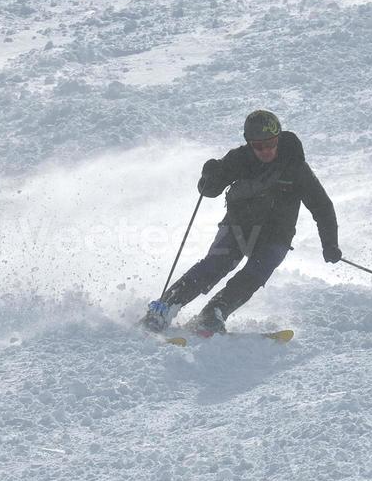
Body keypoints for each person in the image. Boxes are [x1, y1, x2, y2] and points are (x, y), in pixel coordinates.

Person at [143, 109, 341, 334]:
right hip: (239, 226)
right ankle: (165, 306)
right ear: (249, 143)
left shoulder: (295, 166)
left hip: (277, 234)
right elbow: (209, 191)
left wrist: (330, 244)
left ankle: (214, 313)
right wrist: (209, 176)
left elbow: (322, 207)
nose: (266, 150)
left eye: (271, 143)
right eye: (259, 146)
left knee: (256, 273)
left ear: (279, 138)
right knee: (215, 265)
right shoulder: (240, 158)